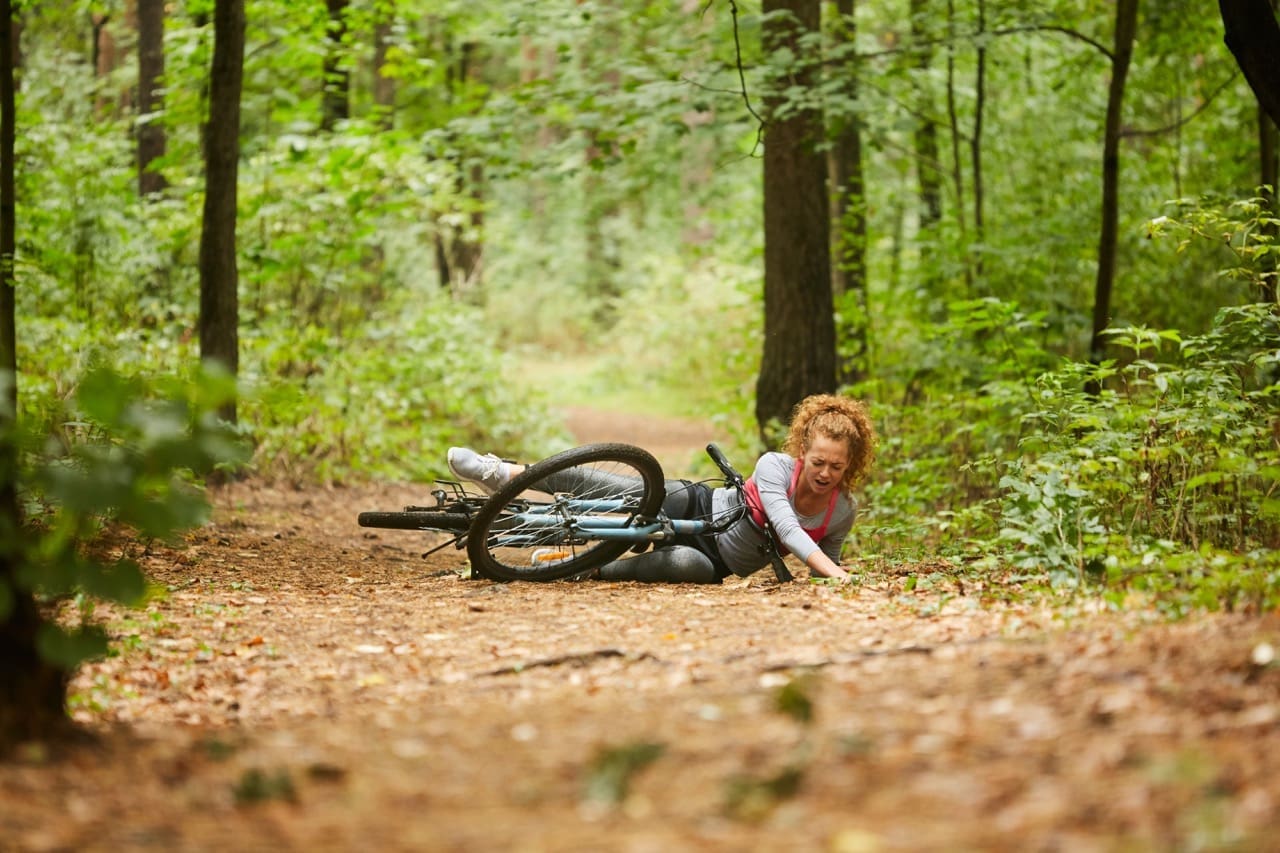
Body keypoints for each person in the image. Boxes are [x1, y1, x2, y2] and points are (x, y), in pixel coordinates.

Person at [447, 394, 877, 584]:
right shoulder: (775, 466)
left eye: (835, 467)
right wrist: (838, 574)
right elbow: (786, 527)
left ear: (849, 466)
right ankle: (502, 473)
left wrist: (836, 578)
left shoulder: (842, 511)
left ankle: (585, 565)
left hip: (717, 559)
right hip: (703, 504)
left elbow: (829, 564)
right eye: (818, 461)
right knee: (617, 490)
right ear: (803, 449)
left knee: (685, 567)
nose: (823, 473)